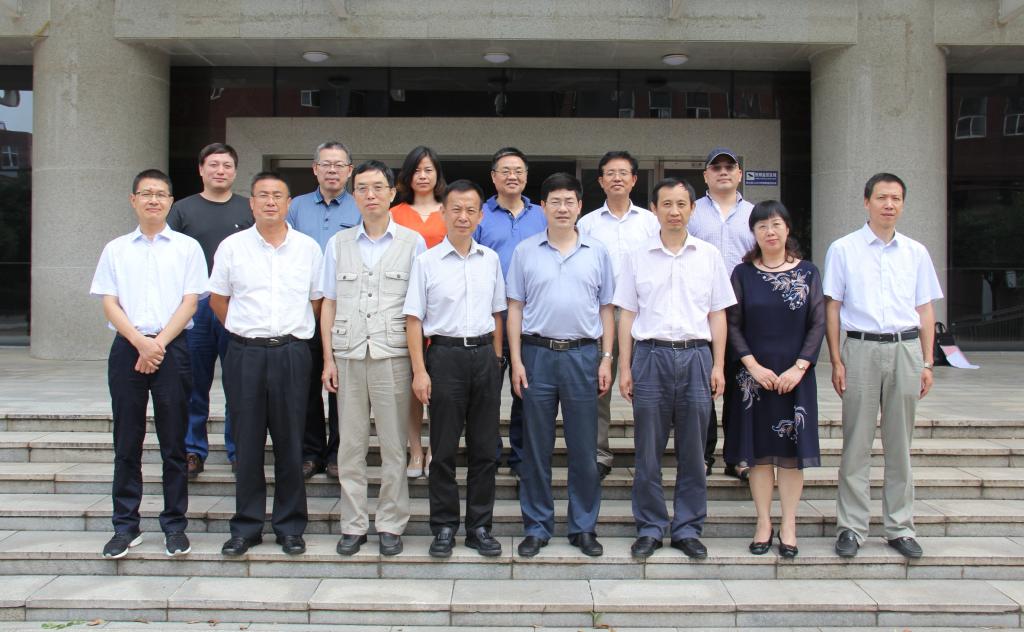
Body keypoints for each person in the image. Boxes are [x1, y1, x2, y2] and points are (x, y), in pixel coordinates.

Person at [615, 178, 736, 560]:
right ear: (654, 209)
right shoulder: (637, 256)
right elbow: (626, 314)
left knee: (694, 451)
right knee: (647, 451)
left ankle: (687, 528)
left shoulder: (708, 255)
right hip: (650, 356)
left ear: (692, 209)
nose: (674, 211)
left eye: (682, 204)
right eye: (666, 204)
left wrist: (719, 365)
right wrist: (624, 367)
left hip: (696, 356)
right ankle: (650, 527)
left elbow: (717, 314)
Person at [825, 173, 942, 560]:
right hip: (860, 349)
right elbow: (833, 307)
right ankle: (851, 527)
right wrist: (836, 359)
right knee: (856, 443)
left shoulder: (916, 252)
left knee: (900, 445)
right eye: (881, 198)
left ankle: (900, 526)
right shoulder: (843, 249)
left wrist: (927, 361)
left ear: (903, 204)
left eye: (896, 198)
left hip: (905, 349)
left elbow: (925, 309)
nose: (889, 204)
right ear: (866, 202)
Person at [91, 169, 207, 559]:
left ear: (171, 202)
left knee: (174, 444)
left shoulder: (188, 248)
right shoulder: (116, 249)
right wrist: (140, 343)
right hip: (128, 347)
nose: (153, 200)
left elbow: (191, 301)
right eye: (146, 193)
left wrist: (157, 344)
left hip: (172, 348)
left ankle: (175, 525)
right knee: (127, 442)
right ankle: (125, 527)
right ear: (133, 200)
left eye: (160, 194)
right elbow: (109, 302)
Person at [209, 171, 323, 557]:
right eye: (263, 195)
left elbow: (316, 300)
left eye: (278, 195)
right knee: (248, 442)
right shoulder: (232, 247)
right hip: (245, 353)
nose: (270, 202)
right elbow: (218, 300)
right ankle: (247, 526)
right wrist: (244, 332)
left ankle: (290, 526)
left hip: (292, 353)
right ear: (252, 203)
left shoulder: (308, 248)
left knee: (291, 442)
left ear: (289, 204)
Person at [320, 160, 427, 557]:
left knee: (394, 446)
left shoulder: (413, 243)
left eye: (378, 187)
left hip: (392, 354)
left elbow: (418, 309)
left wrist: (418, 365)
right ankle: (353, 524)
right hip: (348, 354)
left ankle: (390, 523)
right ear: (354, 195)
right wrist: (328, 359)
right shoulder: (338, 243)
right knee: (350, 446)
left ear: (392, 193)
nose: (370, 195)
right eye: (362, 188)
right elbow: (329, 303)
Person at [507, 172, 615, 558]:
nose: (563, 208)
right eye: (555, 201)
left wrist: (606, 358)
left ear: (580, 206)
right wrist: (516, 360)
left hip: (583, 356)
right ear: (543, 207)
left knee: (584, 448)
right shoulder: (525, 251)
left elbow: (607, 309)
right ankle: (537, 527)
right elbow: (515, 308)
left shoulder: (598, 252)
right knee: (536, 447)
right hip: (536, 355)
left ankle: (583, 527)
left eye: (570, 201)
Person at [404, 179, 506, 558]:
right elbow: (413, 320)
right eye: (456, 209)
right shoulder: (426, 262)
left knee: (484, 449)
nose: (463, 216)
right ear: (443, 213)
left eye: (471, 210)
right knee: (443, 449)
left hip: (483, 356)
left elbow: (498, 313)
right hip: (444, 357)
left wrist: (496, 359)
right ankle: (444, 526)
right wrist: (420, 370)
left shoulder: (490, 260)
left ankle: (479, 527)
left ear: (480, 216)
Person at [725, 200, 825, 559]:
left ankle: (790, 524)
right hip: (753, 380)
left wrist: (800, 367)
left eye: (776, 224)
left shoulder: (808, 272)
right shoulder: (742, 274)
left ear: (787, 228)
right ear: (753, 232)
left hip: (796, 378)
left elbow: (818, 322)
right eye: (762, 225)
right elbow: (731, 324)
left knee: (791, 457)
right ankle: (764, 522)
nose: (770, 231)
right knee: (759, 456)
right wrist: (752, 366)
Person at [167, 143, 253, 479]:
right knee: (193, 382)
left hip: (238, 306)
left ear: (235, 171)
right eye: (213, 164)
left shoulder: (248, 208)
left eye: (227, 165)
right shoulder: (182, 210)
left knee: (239, 383)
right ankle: (192, 449)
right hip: (196, 306)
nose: (220, 170)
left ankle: (238, 449)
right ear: (201, 169)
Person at [576, 150, 659, 479]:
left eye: (623, 173)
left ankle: (647, 454)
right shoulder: (587, 224)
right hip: (603, 314)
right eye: (610, 173)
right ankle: (599, 453)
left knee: (646, 389)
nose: (617, 178)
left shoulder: (650, 222)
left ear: (634, 180)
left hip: (643, 315)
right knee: (599, 387)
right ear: (600, 181)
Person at [287, 141, 360, 480]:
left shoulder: (360, 206)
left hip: (345, 310)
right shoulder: (296, 208)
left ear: (349, 170)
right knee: (306, 385)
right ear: (315, 169)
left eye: (339, 164)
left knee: (341, 387)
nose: (333, 170)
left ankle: (338, 452)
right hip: (302, 310)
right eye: (326, 164)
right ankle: (310, 452)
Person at [473, 147, 547, 478]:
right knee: (486, 394)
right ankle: (488, 455)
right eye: (505, 170)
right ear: (493, 177)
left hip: (531, 320)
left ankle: (521, 458)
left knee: (525, 392)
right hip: (489, 320)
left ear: (526, 177)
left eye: (518, 170)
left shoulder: (542, 215)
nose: (512, 176)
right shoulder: (480, 215)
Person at [687, 147, 756, 479]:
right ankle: (703, 454)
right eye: (716, 167)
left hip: (744, 313)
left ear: (740, 174)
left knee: (740, 385)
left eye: (730, 166)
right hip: (700, 311)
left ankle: (738, 455)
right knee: (703, 387)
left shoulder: (754, 215)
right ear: (706, 176)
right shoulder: (691, 212)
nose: (724, 171)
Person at [391, 145, 448, 479]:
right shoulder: (395, 213)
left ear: (437, 174)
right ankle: (414, 449)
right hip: (404, 307)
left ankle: (436, 450)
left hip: (445, 308)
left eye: (429, 170)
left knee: (442, 385)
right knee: (412, 382)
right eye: (416, 170)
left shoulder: (450, 208)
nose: (423, 176)